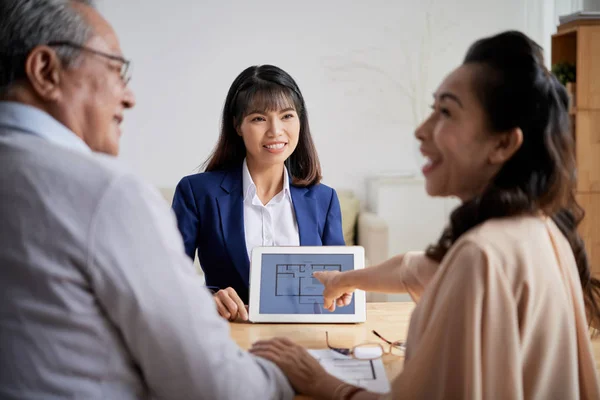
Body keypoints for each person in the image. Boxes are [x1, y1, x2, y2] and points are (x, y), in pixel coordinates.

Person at [249, 31, 600, 399]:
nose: (421, 130)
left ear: (503, 143)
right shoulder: (540, 230)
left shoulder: (481, 255)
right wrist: (345, 280)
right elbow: (415, 268)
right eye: (433, 109)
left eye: (446, 112)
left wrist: (321, 382)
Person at [0, 1, 292, 399]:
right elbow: (212, 383)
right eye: (115, 70)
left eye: (287, 115)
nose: (129, 97)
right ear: (46, 71)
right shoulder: (106, 193)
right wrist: (290, 375)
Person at [172, 65, 345, 321]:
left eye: (287, 116)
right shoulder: (197, 193)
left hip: (304, 337)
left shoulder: (324, 199)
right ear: (238, 125)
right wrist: (206, 298)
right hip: (229, 338)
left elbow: (339, 288)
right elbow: (167, 278)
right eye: (258, 118)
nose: (275, 130)